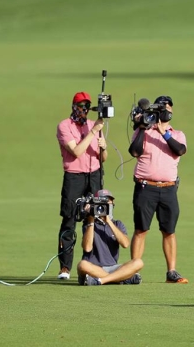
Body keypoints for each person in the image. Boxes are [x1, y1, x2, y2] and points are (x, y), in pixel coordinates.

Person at [128, 95, 188, 283]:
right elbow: (135, 151)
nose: (166, 112)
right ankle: (133, 270)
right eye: (162, 109)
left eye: (168, 109)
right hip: (146, 187)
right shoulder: (143, 131)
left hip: (169, 189)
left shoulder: (176, 134)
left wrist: (164, 133)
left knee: (169, 230)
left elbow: (179, 150)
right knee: (141, 229)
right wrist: (142, 128)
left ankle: (171, 271)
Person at [56, 91, 108, 280]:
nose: (84, 109)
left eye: (87, 106)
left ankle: (91, 263)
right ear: (74, 106)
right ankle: (65, 267)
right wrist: (94, 132)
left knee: (94, 219)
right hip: (74, 176)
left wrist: (103, 146)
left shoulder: (94, 125)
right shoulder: (65, 126)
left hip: (94, 175)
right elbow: (76, 151)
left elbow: (103, 158)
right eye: (81, 105)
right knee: (70, 219)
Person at [76, 189, 144, 286]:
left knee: (138, 262)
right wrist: (91, 221)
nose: (103, 207)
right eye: (101, 203)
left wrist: (108, 221)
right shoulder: (88, 224)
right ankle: (121, 278)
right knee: (82, 265)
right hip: (94, 267)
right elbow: (87, 248)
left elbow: (125, 244)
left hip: (113, 267)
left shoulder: (118, 224)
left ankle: (101, 280)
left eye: (108, 204)